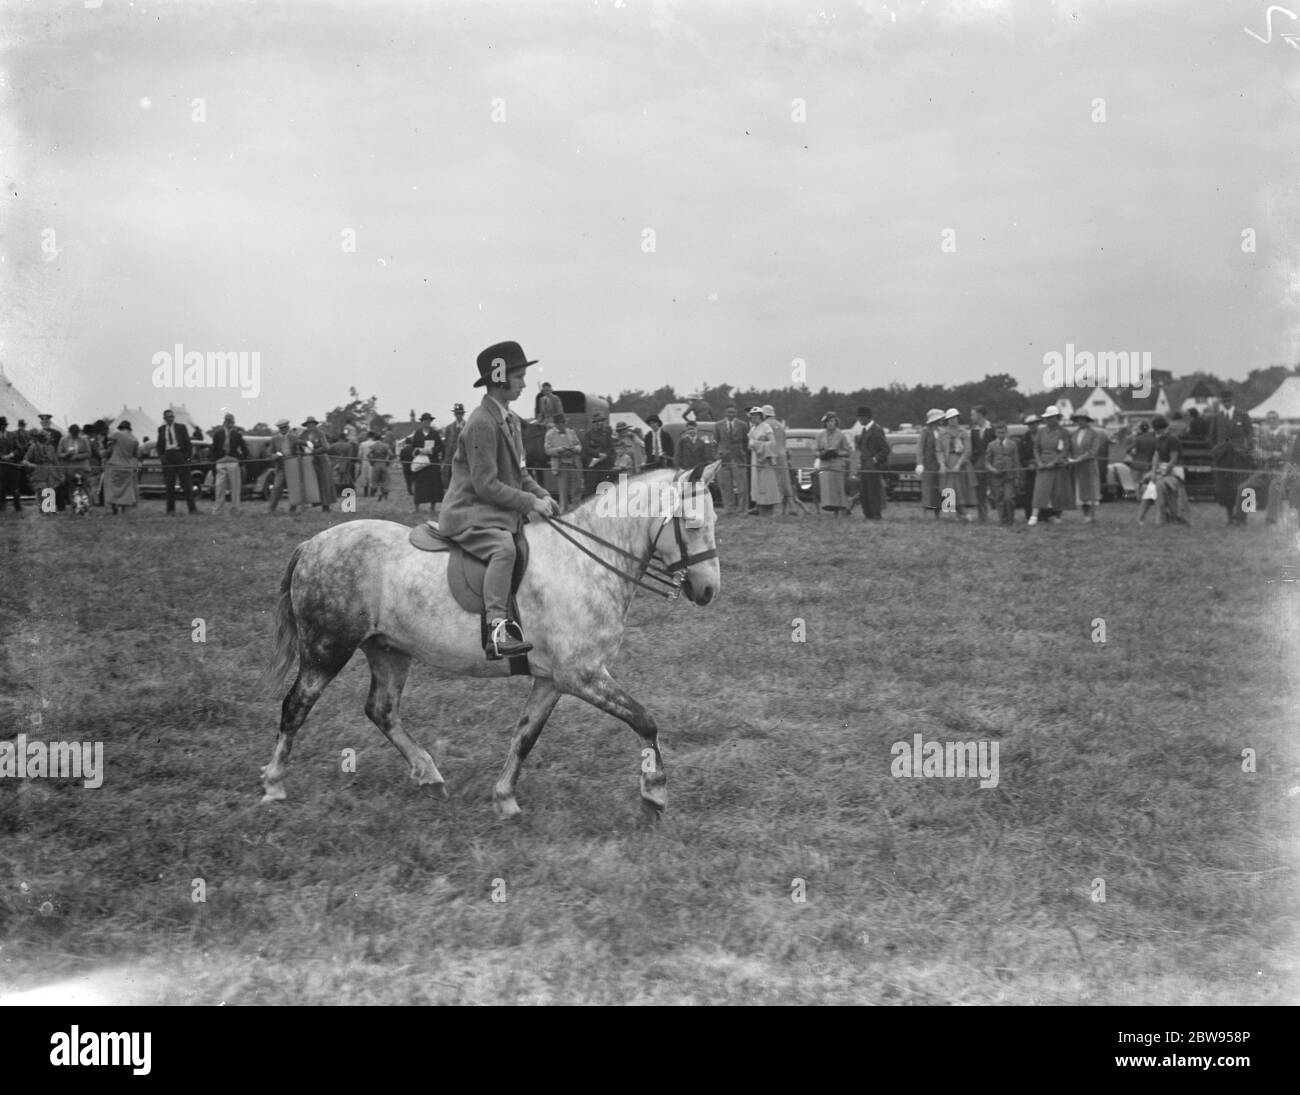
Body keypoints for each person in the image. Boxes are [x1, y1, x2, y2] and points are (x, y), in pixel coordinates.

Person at [438, 340, 558, 660]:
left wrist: (542, 493)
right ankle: (497, 630)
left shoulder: (512, 421)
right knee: (503, 549)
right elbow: (486, 485)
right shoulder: (481, 423)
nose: (523, 383)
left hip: (494, 509)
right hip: (471, 513)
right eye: (518, 376)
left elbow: (518, 474)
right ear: (500, 378)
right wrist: (529, 504)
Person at [1209, 390, 1255, 526]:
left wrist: (1247, 450)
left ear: (1233, 401)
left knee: (1244, 486)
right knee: (1226, 488)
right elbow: (1212, 437)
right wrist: (1217, 449)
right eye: (1224, 401)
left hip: (1240, 457)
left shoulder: (1243, 415)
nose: (1227, 403)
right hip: (1223, 457)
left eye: (1229, 400)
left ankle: (1243, 518)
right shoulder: (1217, 417)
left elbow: (1250, 434)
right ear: (1222, 402)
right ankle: (1230, 517)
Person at [1028, 407, 1073, 525]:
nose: (1048, 420)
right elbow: (1036, 448)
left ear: (1057, 418)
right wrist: (1039, 462)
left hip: (1057, 465)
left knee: (1059, 491)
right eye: (1046, 418)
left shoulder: (1063, 432)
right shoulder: (1041, 431)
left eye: (1051, 418)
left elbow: (1065, 450)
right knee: (1039, 490)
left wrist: (1055, 462)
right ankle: (1034, 516)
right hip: (1043, 464)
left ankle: (1057, 516)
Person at [1149, 416, 1191, 525]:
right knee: (1149, 484)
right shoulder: (1159, 439)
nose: (1156, 432)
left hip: (1175, 471)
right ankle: (1159, 515)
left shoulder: (1172, 440)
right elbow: (1156, 456)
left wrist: (1162, 474)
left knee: (1159, 486)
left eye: (1157, 430)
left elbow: (1173, 460)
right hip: (1163, 470)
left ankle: (1163, 517)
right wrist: (1154, 472)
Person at [936, 408, 976, 521]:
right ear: (947, 420)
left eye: (955, 418)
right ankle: (950, 513)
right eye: (950, 418)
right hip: (947, 464)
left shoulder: (963, 433)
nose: (953, 420)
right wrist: (942, 464)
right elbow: (938, 451)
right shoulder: (942, 434)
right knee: (948, 488)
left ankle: (962, 512)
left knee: (960, 489)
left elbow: (968, 450)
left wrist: (959, 464)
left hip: (961, 466)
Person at [156, 408, 198, 514]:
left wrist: (187, 458)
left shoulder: (181, 427)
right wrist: (162, 457)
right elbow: (159, 445)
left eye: (172, 416)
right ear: (164, 418)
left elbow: (188, 444)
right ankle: (170, 510)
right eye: (168, 416)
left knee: (187, 484)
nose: (171, 418)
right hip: (167, 457)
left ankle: (192, 509)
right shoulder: (161, 429)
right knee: (169, 485)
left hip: (180, 455)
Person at [854, 406, 889, 520]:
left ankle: (875, 515)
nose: (858, 420)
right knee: (864, 492)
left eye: (860, 417)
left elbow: (885, 449)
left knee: (873, 492)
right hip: (864, 467)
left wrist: (874, 459)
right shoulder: (864, 430)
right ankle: (868, 515)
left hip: (873, 467)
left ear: (866, 417)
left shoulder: (877, 430)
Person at [210, 413, 249, 515]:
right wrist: (216, 460)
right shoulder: (218, 434)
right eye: (227, 420)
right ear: (224, 421)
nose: (229, 422)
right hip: (221, 462)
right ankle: (217, 510)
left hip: (233, 462)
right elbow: (213, 449)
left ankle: (235, 510)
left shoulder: (237, 434)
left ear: (233, 422)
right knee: (219, 487)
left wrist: (239, 459)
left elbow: (245, 449)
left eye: (231, 421)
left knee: (235, 487)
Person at [544, 412, 584, 511]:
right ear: (556, 424)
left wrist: (576, 449)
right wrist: (558, 450)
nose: (564, 424)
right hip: (561, 466)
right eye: (562, 422)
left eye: (564, 422)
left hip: (574, 465)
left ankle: (577, 512)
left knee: (576, 490)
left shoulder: (571, 432)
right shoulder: (550, 434)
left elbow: (579, 445)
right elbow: (547, 450)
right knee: (563, 492)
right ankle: (563, 513)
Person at [1069, 411, 1103, 525]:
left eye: (1082, 419)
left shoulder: (1094, 433)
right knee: (1081, 491)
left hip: (1089, 466)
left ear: (1087, 420)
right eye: (1078, 419)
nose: (1080, 421)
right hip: (1078, 467)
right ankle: (1085, 515)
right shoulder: (1074, 434)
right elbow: (1071, 449)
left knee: (1091, 490)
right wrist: (1071, 458)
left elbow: (1094, 450)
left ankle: (1091, 515)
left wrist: (1082, 457)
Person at [715, 405, 750, 515]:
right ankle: (729, 509)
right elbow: (715, 441)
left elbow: (746, 442)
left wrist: (742, 454)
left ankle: (742, 509)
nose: (731, 414)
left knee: (742, 487)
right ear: (725, 413)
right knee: (725, 486)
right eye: (729, 412)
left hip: (738, 459)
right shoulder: (718, 425)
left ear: (736, 413)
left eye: (734, 412)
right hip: (724, 460)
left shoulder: (743, 425)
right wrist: (717, 455)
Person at [984, 421, 1021, 525]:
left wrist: (1017, 477)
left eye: (1003, 432)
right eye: (999, 432)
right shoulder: (991, 445)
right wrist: (992, 469)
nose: (1001, 435)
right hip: (996, 476)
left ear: (1006, 432)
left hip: (1009, 476)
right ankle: (1003, 520)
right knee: (999, 499)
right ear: (996, 433)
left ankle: (1010, 519)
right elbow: (987, 461)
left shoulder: (1012, 444)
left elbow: (1016, 461)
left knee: (1008, 498)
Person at [746, 406, 780, 516]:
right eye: (752, 416)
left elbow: (773, 443)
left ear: (760, 416)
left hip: (765, 459)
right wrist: (754, 444)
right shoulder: (752, 429)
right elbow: (750, 444)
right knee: (756, 482)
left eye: (755, 416)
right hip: (755, 458)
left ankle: (769, 506)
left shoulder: (766, 427)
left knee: (767, 482)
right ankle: (758, 505)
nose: (753, 418)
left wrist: (761, 445)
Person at [816, 411, 851, 515]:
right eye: (828, 422)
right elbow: (815, 451)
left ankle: (842, 511)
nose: (830, 423)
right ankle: (831, 510)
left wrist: (837, 453)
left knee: (839, 489)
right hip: (825, 466)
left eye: (832, 421)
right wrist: (821, 454)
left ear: (836, 422)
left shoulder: (841, 435)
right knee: (827, 490)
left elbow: (848, 451)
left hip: (837, 466)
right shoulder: (820, 435)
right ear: (825, 423)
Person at [408, 414, 444, 513]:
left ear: (430, 422)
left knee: (433, 485)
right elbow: (412, 447)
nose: (426, 423)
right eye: (425, 421)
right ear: (422, 422)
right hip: (421, 463)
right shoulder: (417, 433)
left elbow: (440, 447)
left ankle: (432, 507)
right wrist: (418, 450)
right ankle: (417, 507)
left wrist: (431, 451)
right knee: (419, 485)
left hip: (432, 463)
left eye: (428, 421)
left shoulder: (435, 433)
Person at [101, 421, 140, 514]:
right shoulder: (135, 439)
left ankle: (114, 507)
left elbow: (106, 438)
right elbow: (135, 454)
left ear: (120, 427)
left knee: (113, 488)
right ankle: (123, 509)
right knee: (125, 489)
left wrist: (106, 445)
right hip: (127, 466)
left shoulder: (118, 434)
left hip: (115, 465)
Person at [23, 427, 66, 511]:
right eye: (48, 437)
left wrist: (60, 474)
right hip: (40, 472)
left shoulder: (51, 448)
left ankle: (50, 508)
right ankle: (43, 508)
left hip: (51, 473)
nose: (49, 439)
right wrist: (31, 464)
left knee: (50, 490)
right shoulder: (33, 447)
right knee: (41, 491)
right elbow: (24, 460)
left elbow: (56, 462)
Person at [299, 416, 337, 512]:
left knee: (325, 482)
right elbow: (298, 444)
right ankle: (315, 503)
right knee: (313, 483)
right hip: (309, 461)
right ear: (306, 425)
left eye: (312, 424)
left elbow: (326, 447)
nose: (310, 426)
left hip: (322, 460)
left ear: (315, 424)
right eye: (308, 424)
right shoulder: (303, 434)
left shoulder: (320, 433)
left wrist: (314, 451)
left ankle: (326, 506)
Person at [58, 424, 94, 512]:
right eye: (73, 433)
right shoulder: (63, 440)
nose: (75, 435)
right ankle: (75, 506)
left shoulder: (84, 440)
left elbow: (89, 453)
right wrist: (66, 455)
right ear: (70, 432)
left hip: (82, 467)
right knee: (72, 487)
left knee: (84, 487)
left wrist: (77, 456)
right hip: (70, 468)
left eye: (76, 433)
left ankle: (86, 506)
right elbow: (59, 453)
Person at [968, 405, 994, 522]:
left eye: (972, 414)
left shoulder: (992, 429)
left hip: (992, 465)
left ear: (979, 414)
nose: (971, 417)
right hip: (978, 465)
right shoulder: (973, 431)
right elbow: (972, 449)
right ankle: (982, 516)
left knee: (994, 490)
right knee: (979, 492)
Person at [582, 412, 615, 499]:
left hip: (604, 467)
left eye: (601, 421)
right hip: (592, 467)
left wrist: (606, 455)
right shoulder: (588, 435)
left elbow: (611, 447)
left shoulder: (607, 434)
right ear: (593, 423)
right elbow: (586, 448)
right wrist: (598, 454)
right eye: (597, 421)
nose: (599, 423)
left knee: (604, 490)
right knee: (591, 491)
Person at [918, 408, 944, 519]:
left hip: (939, 465)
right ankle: (924, 513)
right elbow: (920, 448)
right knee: (927, 489)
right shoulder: (925, 431)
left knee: (937, 489)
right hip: (928, 464)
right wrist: (920, 463)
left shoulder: (941, 431)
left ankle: (937, 513)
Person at [1018, 414, 1040, 521]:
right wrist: (1028, 464)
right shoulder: (1024, 440)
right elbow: (1021, 457)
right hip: (1030, 471)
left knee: (1043, 492)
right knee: (1030, 492)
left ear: (1038, 424)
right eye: (1030, 424)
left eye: (1034, 424)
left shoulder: (1043, 435)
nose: (1032, 426)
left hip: (1043, 468)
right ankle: (1030, 515)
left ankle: (1046, 515)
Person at [441, 403, 467, 490]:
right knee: (450, 483)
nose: (458, 415)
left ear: (463, 414)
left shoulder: (468, 426)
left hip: (464, 459)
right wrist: (446, 460)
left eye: (460, 413)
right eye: (457, 413)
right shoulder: (449, 428)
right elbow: (447, 445)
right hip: (451, 460)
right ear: (454, 414)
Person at [0, 417, 23, 512]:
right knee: (1, 487)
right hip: (0, 466)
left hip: (12, 465)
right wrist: (1, 456)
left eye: (3, 425)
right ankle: (2, 507)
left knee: (15, 486)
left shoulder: (12, 435)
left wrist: (11, 455)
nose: (2, 427)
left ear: (6, 425)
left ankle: (17, 507)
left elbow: (19, 449)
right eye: (0, 425)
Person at [367, 431, 393, 501]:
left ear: (375, 438)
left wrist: (371, 462)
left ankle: (379, 493)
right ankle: (385, 494)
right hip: (383, 463)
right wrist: (388, 462)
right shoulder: (386, 445)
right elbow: (390, 454)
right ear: (381, 438)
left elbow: (368, 455)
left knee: (376, 480)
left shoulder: (373, 446)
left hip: (376, 464)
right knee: (385, 480)